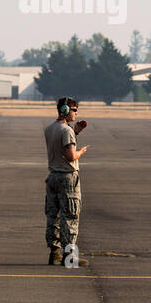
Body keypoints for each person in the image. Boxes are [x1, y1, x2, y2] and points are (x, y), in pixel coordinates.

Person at [44, 96, 88, 267]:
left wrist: (75, 131)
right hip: (67, 177)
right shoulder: (66, 131)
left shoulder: (50, 128)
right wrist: (81, 152)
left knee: (52, 216)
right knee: (70, 216)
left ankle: (54, 253)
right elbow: (70, 155)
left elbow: (60, 143)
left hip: (53, 176)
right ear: (66, 111)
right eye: (75, 110)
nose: (76, 113)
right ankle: (70, 257)